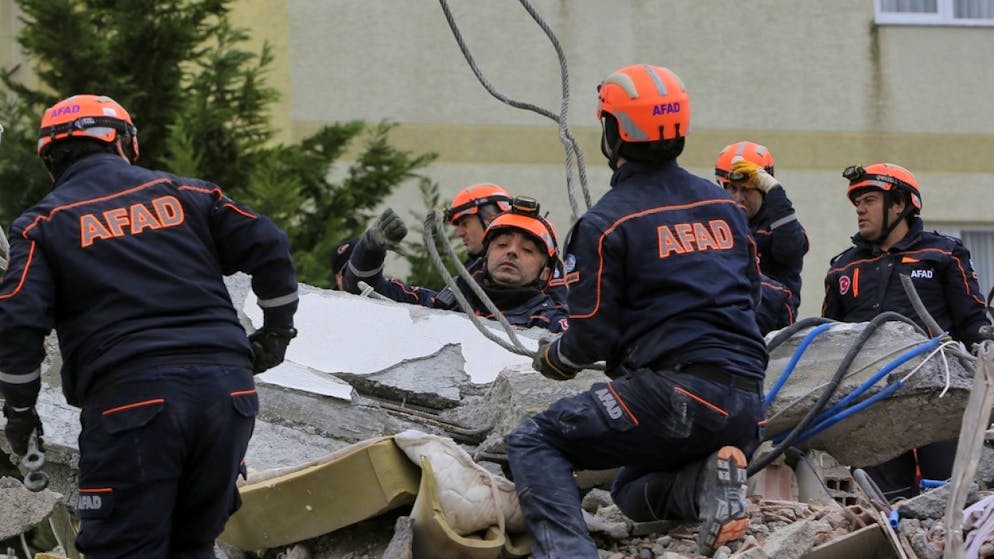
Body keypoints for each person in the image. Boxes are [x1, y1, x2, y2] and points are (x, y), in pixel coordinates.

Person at [0, 94, 298, 558]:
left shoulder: (43, 225)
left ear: (51, 161)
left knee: (121, 549)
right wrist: (277, 333)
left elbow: (17, 321)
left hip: (131, 403)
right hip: (229, 396)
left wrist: (20, 414)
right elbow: (271, 245)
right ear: (123, 142)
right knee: (193, 545)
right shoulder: (189, 194)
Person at [505, 64, 768, 557]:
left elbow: (591, 337)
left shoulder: (606, 222)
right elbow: (752, 297)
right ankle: (707, 484)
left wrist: (555, 359)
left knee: (535, 441)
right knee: (629, 489)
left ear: (613, 132)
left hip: (674, 395)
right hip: (747, 405)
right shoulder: (726, 207)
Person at [823, 162, 993, 500]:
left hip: (939, 398)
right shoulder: (843, 266)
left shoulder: (944, 254)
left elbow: (973, 323)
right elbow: (829, 342)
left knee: (949, 497)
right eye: (857, 203)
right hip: (871, 404)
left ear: (899, 204)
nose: (859, 210)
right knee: (884, 502)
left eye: (869, 200)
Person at [343, 196, 568, 333]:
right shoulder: (446, 304)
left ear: (546, 272)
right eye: (502, 244)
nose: (512, 251)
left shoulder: (551, 324)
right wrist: (370, 248)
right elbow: (361, 289)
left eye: (527, 250)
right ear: (485, 257)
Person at [716, 141, 808, 323]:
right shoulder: (718, 226)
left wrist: (774, 190)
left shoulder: (780, 224)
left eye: (747, 189)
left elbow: (790, 252)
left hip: (772, 329)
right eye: (732, 188)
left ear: (764, 190)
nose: (739, 197)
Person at [442, 183, 569, 311]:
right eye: (502, 245)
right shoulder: (470, 269)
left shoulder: (546, 268)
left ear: (490, 219)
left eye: (465, 224)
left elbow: (560, 312)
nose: (459, 233)